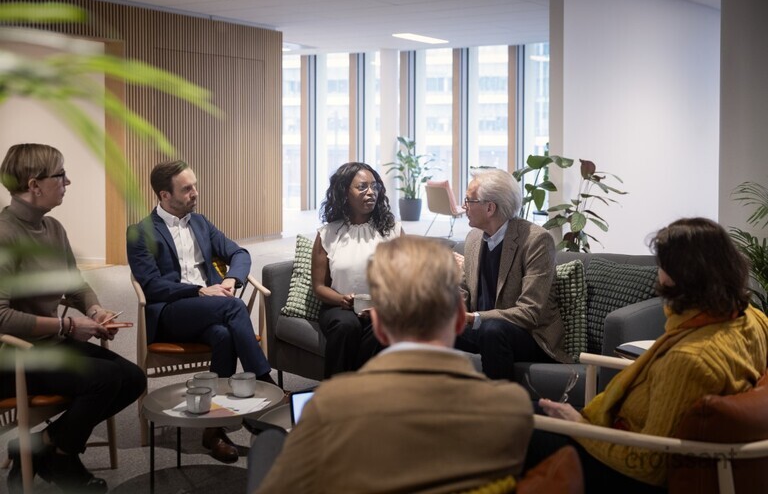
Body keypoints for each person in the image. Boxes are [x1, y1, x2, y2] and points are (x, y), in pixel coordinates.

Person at [249, 236, 534, 493]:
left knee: (267, 446)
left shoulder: (329, 406)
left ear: (380, 328)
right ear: (461, 319)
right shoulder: (511, 407)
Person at [527, 217, 768, 492]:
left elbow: (649, 465)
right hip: (627, 435)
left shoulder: (689, 359)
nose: (658, 273)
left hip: (626, 465)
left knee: (517, 427)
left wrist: (579, 426)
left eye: (663, 265)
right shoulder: (753, 319)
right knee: (524, 411)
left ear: (685, 276)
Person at [0, 143, 146, 494]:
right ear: (34, 185)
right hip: (13, 357)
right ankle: (62, 458)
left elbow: (77, 285)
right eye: (61, 175)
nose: (69, 181)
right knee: (105, 379)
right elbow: (1, 316)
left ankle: (43, 445)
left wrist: (94, 310)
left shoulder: (53, 228)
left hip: (48, 344)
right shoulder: (5, 235)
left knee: (132, 378)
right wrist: (67, 325)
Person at [126, 159, 272, 464]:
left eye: (195, 186)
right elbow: (152, 286)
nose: (195, 193)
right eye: (187, 189)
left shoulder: (201, 222)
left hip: (210, 311)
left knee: (222, 335)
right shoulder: (140, 233)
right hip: (171, 312)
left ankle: (214, 430)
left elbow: (239, 253)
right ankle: (266, 383)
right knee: (232, 308)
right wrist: (199, 290)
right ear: (165, 195)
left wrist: (232, 278)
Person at [455, 168, 571, 380]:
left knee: (493, 330)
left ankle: (500, 410)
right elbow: (463, 293)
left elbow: (529, 312)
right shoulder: (473, 238)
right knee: (425, 324)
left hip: (529, 335)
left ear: (490, 208)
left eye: (469, 201)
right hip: (481, 329)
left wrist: (474, 318)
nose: (464, 207)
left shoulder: (536, 240)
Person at [311, 162, 402, 377]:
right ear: (344, 192)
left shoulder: (393, 231)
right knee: (346, 326)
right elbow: (319, 286)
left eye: (374, 186)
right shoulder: (328, 233)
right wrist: (342, 299)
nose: (371, 192)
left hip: (382, 308)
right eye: (362, 187)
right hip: (339, 308)